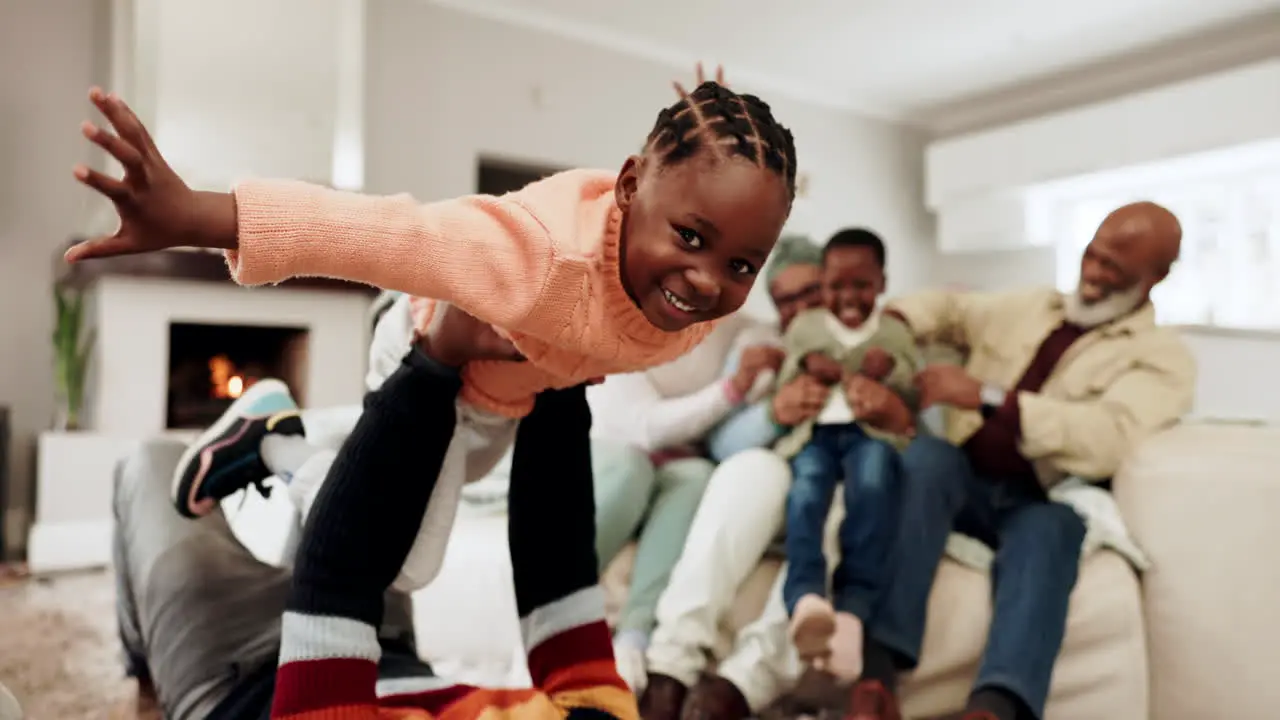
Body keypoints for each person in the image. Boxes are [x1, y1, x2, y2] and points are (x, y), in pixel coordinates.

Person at [69, 78, 798, 592]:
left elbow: (713, 228)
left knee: (383, 493)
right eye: (691, 237)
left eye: (739, 263)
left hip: (503, 400)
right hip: (431, 358)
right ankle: (276, 447)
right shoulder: (539, 254)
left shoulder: (701, 305)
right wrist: (197, 216)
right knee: (407, 564)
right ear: (633, 186)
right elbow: (389, 235)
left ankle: (271, 428)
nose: (707, 280)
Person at [112, 310, 635, 719]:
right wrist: (560, 370)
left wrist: (434, 360)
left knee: (150, 462)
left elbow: (333, 581)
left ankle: (145, 669)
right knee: (390, 506)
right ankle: (388, 332)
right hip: (378, 631)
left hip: (242, 673)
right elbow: (558, 569)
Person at [844, 201, 1196, 720]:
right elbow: (951, 310)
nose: (1095, 274)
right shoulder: (1033, 306)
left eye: (1114, 270)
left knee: (1055, 530)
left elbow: (1109, 437)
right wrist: (895, 325)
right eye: (1092, 256)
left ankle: (995, 706)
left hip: (1040, 494)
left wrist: (987, 396)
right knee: (925, 458)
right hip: (963, 473)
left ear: (1157, 277)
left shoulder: (1164, 357)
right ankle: (876, 676)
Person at [640, 238, 839, 720]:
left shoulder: (868, 341)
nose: (801, 307)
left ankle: (743, 684)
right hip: (770, 489)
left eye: (811, 291)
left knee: (843, 502)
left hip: (834, 488)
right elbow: (721, 445)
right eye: (786, 299)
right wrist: (774, 412)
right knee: (749, 469)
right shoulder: (760, 344)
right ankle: (670, 667)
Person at [586, 310, 784, 693]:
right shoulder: (615, 319)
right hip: (616, 450)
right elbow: (643, 428)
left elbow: (764, 338)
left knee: (696, 476)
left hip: (677, 466)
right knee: (631, 469)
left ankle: (634, 637)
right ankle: (547, 613)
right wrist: (731, 389)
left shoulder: (739, 327)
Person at [770, 229, 918, 676]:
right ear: (825, 284)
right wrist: (803, 366)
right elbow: (782, 387)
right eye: (836, 286)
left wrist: (891, 369)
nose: (848, 297)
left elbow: (914, 382)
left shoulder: (893, 330)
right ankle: (806, 598)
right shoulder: (806, 328)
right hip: (818, 434)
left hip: (871, 434)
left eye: (861, 285)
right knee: (806, 493)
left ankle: (855, 607)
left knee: (872, 487)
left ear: (882, 282)